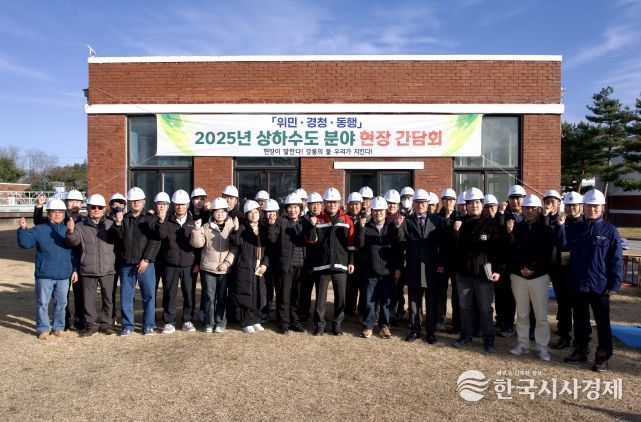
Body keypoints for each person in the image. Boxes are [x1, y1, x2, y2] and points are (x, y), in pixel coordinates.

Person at [560, 189, 623, 372]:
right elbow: (563, 247)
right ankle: (580, 349)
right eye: (589, 206)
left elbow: (616, 260)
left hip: (600, 285)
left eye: (596, 206)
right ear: (583, 207)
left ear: (602, 208)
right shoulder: (575, 228)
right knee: (580, 321)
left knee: (602, 323)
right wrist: (560, 226)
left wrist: (615, 283)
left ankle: (603, 356)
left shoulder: (610, 231)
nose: (592, 209)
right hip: (578, 284)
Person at [452, 187, 504, 353]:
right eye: (470, 203)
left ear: (482, 204)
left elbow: (498, 251)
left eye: (477, 202)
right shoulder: (460, 224)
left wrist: (497, 270)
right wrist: (455, 232)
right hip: (463, 273)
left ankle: (488, 339)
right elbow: (453, 248)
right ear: (465, 205)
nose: (474, 205)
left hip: (483, 274)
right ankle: (465, 336)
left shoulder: (491, 224)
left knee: (485, 308)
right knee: (465, 307)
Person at [17, 198, 77, 339]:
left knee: (62, 303)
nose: (57, 214)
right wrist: (23, 229)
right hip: (44, 274)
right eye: (54, 212)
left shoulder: (68, 229)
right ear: (48, 213)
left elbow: (74, 252)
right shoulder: (39, 229)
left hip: (64, 274)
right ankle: (43, 329)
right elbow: (26, 244)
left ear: (64, 213)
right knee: (42, 303)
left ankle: (58, 327)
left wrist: (74, 269)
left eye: (60, 212)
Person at [507, 194, 554, 361]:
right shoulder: (516, 228)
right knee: (522, 313)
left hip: (539, 277)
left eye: (533, 208)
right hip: (518, 276)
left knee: (541, 314)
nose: (530, 211)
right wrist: (521, 268)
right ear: (523, 209)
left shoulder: (546, 230)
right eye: (527, 208)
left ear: (539, 210)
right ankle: (523, 343)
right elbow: (512, 251)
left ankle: (542, 346)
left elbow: (547, 254)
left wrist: (533, 268)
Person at [66, 194, 119, 337]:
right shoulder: (80, 226)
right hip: (88, 269)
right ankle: (90, 325)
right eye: (93, 207)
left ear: (104, 209)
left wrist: (119, 224)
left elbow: (119, 239)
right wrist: (70, 232)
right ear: (88, 208)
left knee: (108, 299)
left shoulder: (111, 224)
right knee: (88, 300)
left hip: (108, 268)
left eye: (100, 207)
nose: (96, 210)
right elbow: (73, 242)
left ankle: (106, 324)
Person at [305, 187, 355, 336]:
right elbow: (311, 241)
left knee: (340, 298)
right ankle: (320, 325)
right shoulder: (318, 219)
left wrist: (351, 261)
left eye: (334, 202)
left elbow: (351, 243)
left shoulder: (347, 219)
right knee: (320, 298)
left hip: (341, 264)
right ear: (324, 203)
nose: (332, 204)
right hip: (322, 265)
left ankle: (337, 325)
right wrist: (312, 226)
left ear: (339, 203)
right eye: (329, 202)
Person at [112, 187, 160, 336]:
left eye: (138, 201)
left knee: (149, 295)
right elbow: (117, 239)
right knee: (126, 296)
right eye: (133, 201)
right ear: (128, 203)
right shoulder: (124, 218)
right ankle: (127, 325)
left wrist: (146, 259)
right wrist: (118, 224)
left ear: (143, 201)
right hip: (126, 264)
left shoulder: (151, 219)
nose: (136, 203)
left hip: (146, 264)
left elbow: (155, 241)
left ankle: (148, 325)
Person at [399, 189, 445, 344]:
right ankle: (415, 330)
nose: (420, 205)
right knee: (414, 302)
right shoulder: (407, 221)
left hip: (431, 268)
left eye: (423, 202)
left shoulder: (437, 221)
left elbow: (443, 245)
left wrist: (441, 263)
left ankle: (430, 332)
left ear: (428, 203)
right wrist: (399, 227)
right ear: (414, 204)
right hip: (413, 267)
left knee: (431, 302)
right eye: (418, 202)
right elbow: (401, 242)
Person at [35, 190, 84, 331]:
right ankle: (64, 322)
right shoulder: (59, 216)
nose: (74, 204)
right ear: (66, 203)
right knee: (63, 296)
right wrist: (39, 207)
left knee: (80, 294)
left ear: (81, 204)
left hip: (79, 261)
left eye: (77, 201)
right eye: (71, 201)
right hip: (62, 262)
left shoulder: (84, 220)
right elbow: (39, 222)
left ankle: (79, 321)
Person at [357, 196, 402, 339]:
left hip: (388, 271)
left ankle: (384, 326)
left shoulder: (392, 227)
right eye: (375, 211)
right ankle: (368, 325)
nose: (378, 213)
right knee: (369, 300)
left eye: (381, 210)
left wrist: (398, 267)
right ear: (372, 211)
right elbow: (360, 246)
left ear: (385, 211)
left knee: (386, 301)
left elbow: (398, 249)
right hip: (370, 271)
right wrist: (361, 229)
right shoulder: (366, 226)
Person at [191, 197, 237, 333]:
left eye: (223, 211)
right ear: (212, 212)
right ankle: (209, 323)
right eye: (217, 211)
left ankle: (220, 322)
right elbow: (197, 244)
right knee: (209, 297)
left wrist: (227, 263)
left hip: (224, 269)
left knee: (222, 297)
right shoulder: (206, 226)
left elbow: (234, 248)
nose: (220, 214)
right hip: (208, 268)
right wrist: (196, 229)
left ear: (227, 212)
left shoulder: (232, 227)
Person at [267, 193, 308, 334]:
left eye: (296, 207)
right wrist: (271, 225)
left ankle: (295, 321)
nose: (293, 210)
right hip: (285, 266)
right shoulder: (281, 222)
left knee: (297, 296)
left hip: (301, 266)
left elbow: (311, 238)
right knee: (284, 296)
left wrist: (313, 226)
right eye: (290, 207)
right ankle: (283, 323)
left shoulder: (304, 223)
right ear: (286, 209)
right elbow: (272, 239)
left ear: (300, 208)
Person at [158, 190, 197, 334]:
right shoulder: (167, 220)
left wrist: (197, 263)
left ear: (187, 205)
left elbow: (198, 245)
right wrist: (162, 221)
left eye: (183, 204)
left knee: (189, 293)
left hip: (189, 264)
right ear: (173, 205)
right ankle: (169, 321)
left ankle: (187, 320)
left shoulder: (193, 222)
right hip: (170, 264)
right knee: (169, 293)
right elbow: (161, 235)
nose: (180, 207)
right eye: (177, 204)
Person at [230, 200, 269, 334]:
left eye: (256, 212)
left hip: (259, 266)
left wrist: (265, 263)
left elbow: (268, 250)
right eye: (250, 212)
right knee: (246, 294)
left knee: (258, 293)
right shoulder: (242, 228)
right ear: (246, 215)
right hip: (245, 266)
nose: (254, 214)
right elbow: (235, 242)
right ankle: (246, 322)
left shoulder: (263, 229)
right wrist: (235, 229)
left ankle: (256, 320)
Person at [437, 188, 460, 333]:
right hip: (441, 261)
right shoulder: (436, 217)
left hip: (456, 261)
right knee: (441, 292)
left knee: (457, 294)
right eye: (446, 200)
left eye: (451, 200)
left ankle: (457, 322)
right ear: (442, 201)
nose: (449, 202)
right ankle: (440, 319)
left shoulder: (459, 217)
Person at [298, 192, 323, 323]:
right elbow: (309, 240)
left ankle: (319, 316)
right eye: (313, 204)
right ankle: (304, 314)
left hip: (322, 261)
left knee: (321, 291)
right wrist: (312, 226)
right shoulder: (303, 220)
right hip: (307, 261)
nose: (316, 207)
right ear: (308, 205)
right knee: (305, 290)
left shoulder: (325, 219)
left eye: (318, 204)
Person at [107, 193, 126, 325]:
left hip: (124, 259)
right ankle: (111, 316)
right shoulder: (105, 220)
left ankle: (126, 317)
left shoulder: (128, 219)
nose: (117, 206)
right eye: (114, 204)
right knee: (110, 291)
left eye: (120, 204)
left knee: (126, 290)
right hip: (110, 260)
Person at [344, 192, 364, 318]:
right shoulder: (344, 218)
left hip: (362, 257)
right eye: (351, 204)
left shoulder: (366, 219)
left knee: (363, 286)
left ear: (361, 205)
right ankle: (349, 310)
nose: (354, 207)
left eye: (357, 204)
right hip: (347, 256)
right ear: (348, 205)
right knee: (350, 286)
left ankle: (361, 310)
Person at [261, 198, 280, 321]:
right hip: (265, 262)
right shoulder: (261, 226)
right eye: (268, 212)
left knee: (279, 287)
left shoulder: (281, 224)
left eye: (273, 212)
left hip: (278, 261)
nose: (271, 215)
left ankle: (279, 312)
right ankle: (265, 310)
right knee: (266, 287)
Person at [152, 192, 170, 318]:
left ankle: (166, 313)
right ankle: (151, 313)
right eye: (159, 204)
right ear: (155, 205)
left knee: (168, 288)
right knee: (152, 288)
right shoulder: (150, 219)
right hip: (153, 259)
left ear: (168, 205)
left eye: (164, 204)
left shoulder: (171, 219)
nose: (162, 206)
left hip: (167, 259)